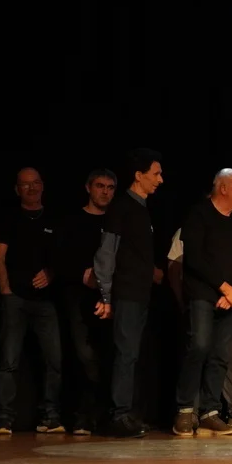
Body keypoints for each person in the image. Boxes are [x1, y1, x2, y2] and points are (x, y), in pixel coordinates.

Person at [172, 169, 232, 436]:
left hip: (231, 299)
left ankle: (210, 411)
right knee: (199, 346)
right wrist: (224, 288)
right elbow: (195, 259)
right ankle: (186, 410)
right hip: (203, 295)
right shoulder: (199, 214)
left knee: (220, 355)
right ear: (223, 188)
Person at [94, 148, 164, 438]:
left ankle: (130, 413)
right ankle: (119, 415)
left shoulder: (141, 208)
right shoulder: (122, 206)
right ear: (139, 175)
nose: (160, 179)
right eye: (156, 173)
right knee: (125, 354)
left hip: (140, 294)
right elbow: (106, 253)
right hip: (125, 293)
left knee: (134, 354)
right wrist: (106, 296)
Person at [0, 167, 63, 434]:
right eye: (25, 184)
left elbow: (63, 257)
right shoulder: (8, 218)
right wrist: (6, 291)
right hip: (16, 299)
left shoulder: (54, 219)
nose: (31, 188)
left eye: (35, 183)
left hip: (46, 302)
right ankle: (3, 419)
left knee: (53, 361)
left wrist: (51, 273)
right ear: (17, 189)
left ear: (42, 186)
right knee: (8, 361)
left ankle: (50, 417)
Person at [57, 168, 116, 435]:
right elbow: (59, 259)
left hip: (110, 298)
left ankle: (104, 416)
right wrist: (82, 275)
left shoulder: (116, 221)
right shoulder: (73, 221)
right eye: (100, 186)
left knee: (110, 357)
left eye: (110, 188)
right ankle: (82, 415)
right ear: (88, 188)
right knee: (84, 356)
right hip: (79, 298)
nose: (105, 192)